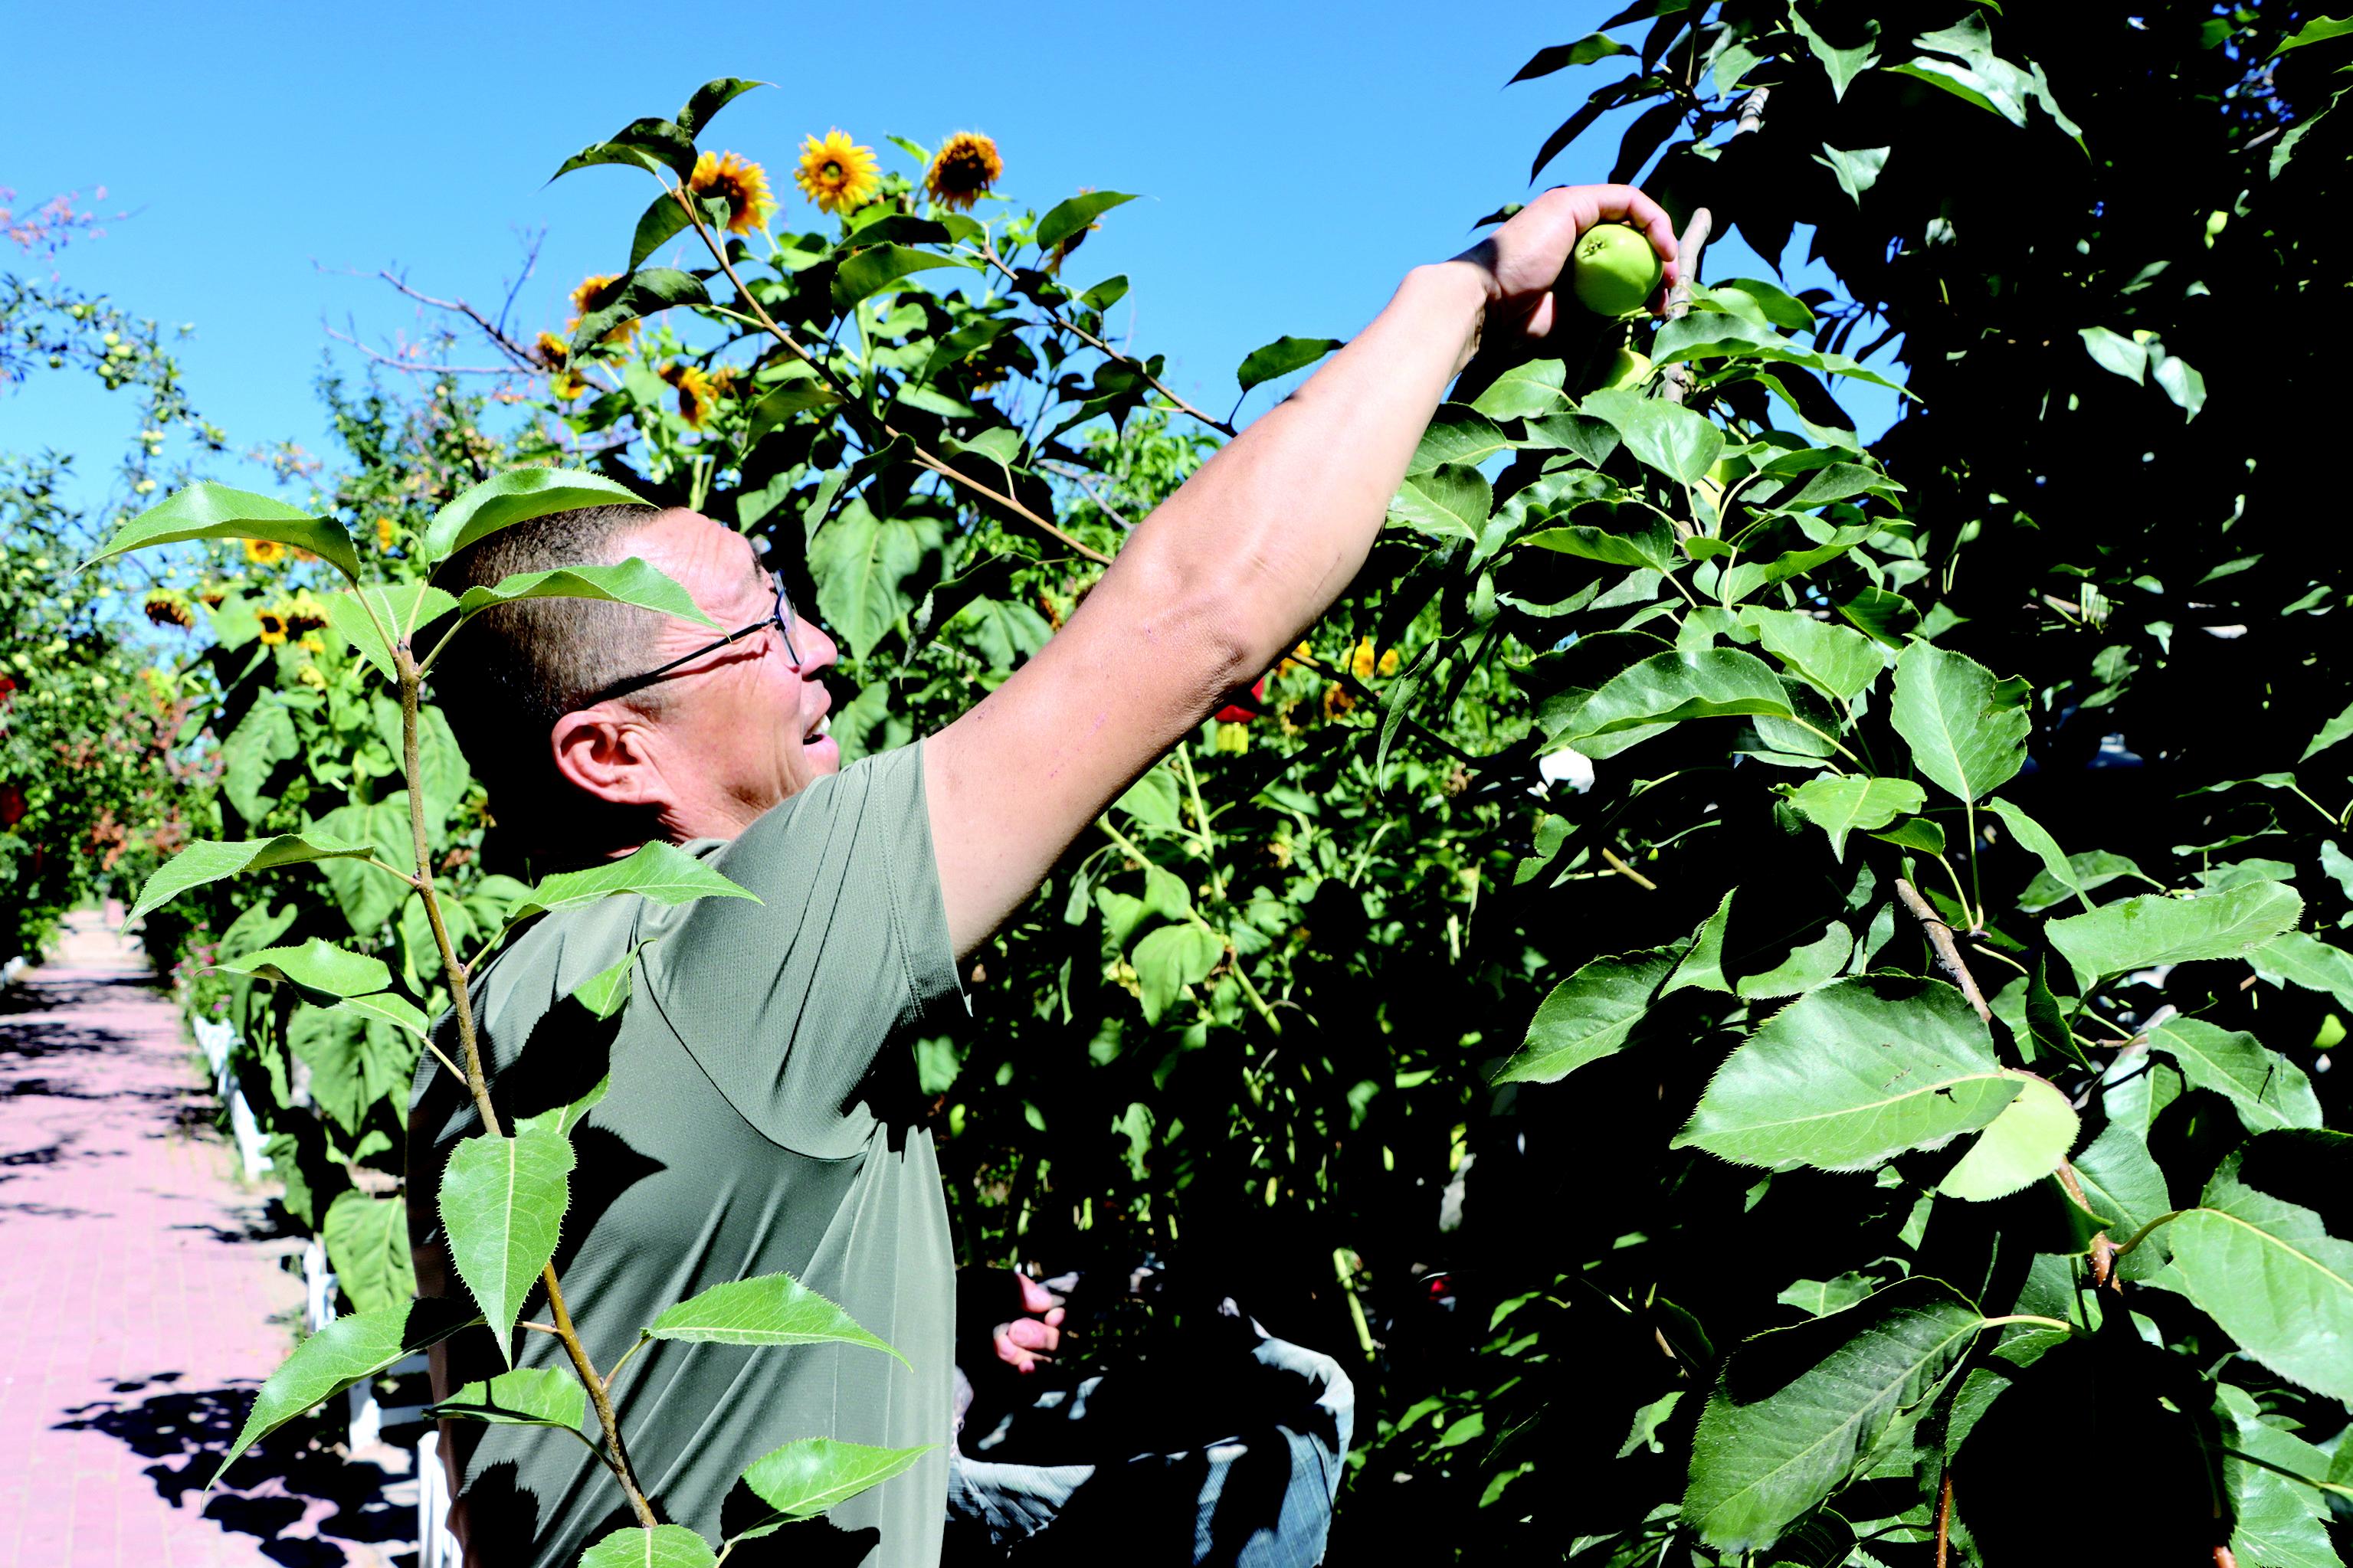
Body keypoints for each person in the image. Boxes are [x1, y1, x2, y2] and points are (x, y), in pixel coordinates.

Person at [407, 182, 1679, 1567]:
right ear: (612, 753)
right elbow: (1198, 616)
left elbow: (523, 1463)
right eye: (759, 624)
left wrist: (921, 1363)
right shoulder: (744, 932)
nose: (822, 646)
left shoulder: (482, 1035)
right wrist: (1468, 291)